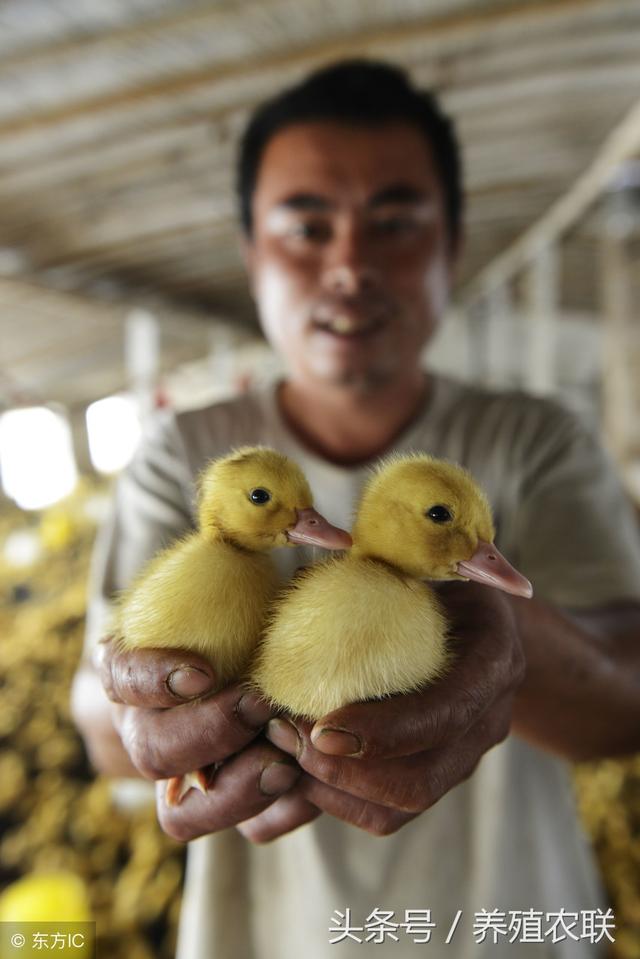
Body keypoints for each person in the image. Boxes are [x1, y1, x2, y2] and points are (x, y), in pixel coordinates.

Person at [71, 60, 640, 958]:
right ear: (253, 255)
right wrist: (149, 714)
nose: (349, 265)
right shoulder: (178, 453)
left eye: (396, 223)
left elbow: (627, 704)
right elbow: (103, 726)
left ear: (452, 246)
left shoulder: (541, 440)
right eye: (306, 227)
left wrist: (512, 639)